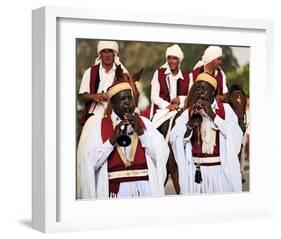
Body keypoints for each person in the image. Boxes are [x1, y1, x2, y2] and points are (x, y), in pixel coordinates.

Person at [78, 81, 169, 199]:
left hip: (145, 190)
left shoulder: (145, 123)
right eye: (122, 99)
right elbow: (89, 163)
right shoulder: (99, 126)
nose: (127, 102)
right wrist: (111, 140)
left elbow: (161, 154)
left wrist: (142, 133)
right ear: (113, 103)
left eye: (129, 98)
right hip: (115, 193)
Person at [169, 72, 243, 194]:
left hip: (220, 172)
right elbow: (174, 138)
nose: (200, 92)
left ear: (213, 92)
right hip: (196, 173)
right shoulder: (188, 113)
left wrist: (213, 116)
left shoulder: (225, 110)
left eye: (204, 89)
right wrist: (189, 125)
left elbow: (235, 135)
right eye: (198, 89)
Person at [78, 40, 128, 125]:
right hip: (94, 114)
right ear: (100, 54)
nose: (107, 55)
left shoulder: (122, 73)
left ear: (114, 54)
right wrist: (94, 96)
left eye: (110, 51)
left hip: (117, 115)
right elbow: (81, 96)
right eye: (104, 51)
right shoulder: (89, 72)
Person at [149, 44, 192, 138]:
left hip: (181, 111)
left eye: (174, 58)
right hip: (162, 112)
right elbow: (154, 97)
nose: (171, 61)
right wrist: (168, 105)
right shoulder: (159, 73)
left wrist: (180, 99)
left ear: (179, 60)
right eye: (169, 58)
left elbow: (191, 97)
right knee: (153, 134)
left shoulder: (187, 77)